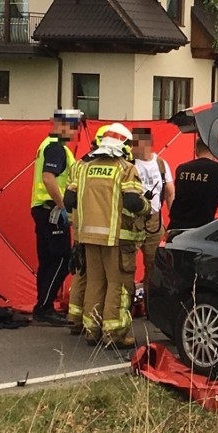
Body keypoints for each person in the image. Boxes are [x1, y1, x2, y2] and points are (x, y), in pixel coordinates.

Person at [64, 123, 150, 348]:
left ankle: (92, 331)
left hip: (88, 237)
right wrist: (147, 208)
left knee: (94, 281)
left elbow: (69, 201)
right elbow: (132, 201)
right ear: (125, 145)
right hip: (117, 239)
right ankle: (115, 334)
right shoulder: (124, 168)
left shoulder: (83, 168)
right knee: (118, 284)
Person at [30, 108, 80, 326]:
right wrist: (62, 207)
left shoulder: (48, 145)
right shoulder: (56, 148)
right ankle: (44, 306)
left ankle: (43, 306)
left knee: (47, 260)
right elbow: (49, 178)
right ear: (59, 125)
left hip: (41, 208)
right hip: (51, 210)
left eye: (75, 126)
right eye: (71, 125)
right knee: (62, 258)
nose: (74, 130)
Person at [66, 125, 109, 335]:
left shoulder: (79, 164)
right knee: (97, 277)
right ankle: (90, 320)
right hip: (98, 226)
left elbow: (69, 199)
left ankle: (75, 318)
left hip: (80, 223)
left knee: (82, 272)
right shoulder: (102, 166)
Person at [131, 127, 175, 308]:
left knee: (154, 265)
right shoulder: (129, 163)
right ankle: (127, 306)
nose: (133, 147)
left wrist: (173, 221)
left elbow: (170, 192)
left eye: (136, 143)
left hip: (154, 219)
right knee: (126, 266)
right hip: (133, 219)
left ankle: (150, 306)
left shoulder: (162, 165)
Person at [169, 138, 218, 230]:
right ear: (214, 150)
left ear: (196, 150)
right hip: (203, 227)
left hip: (177, 225)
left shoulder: (182, 168)